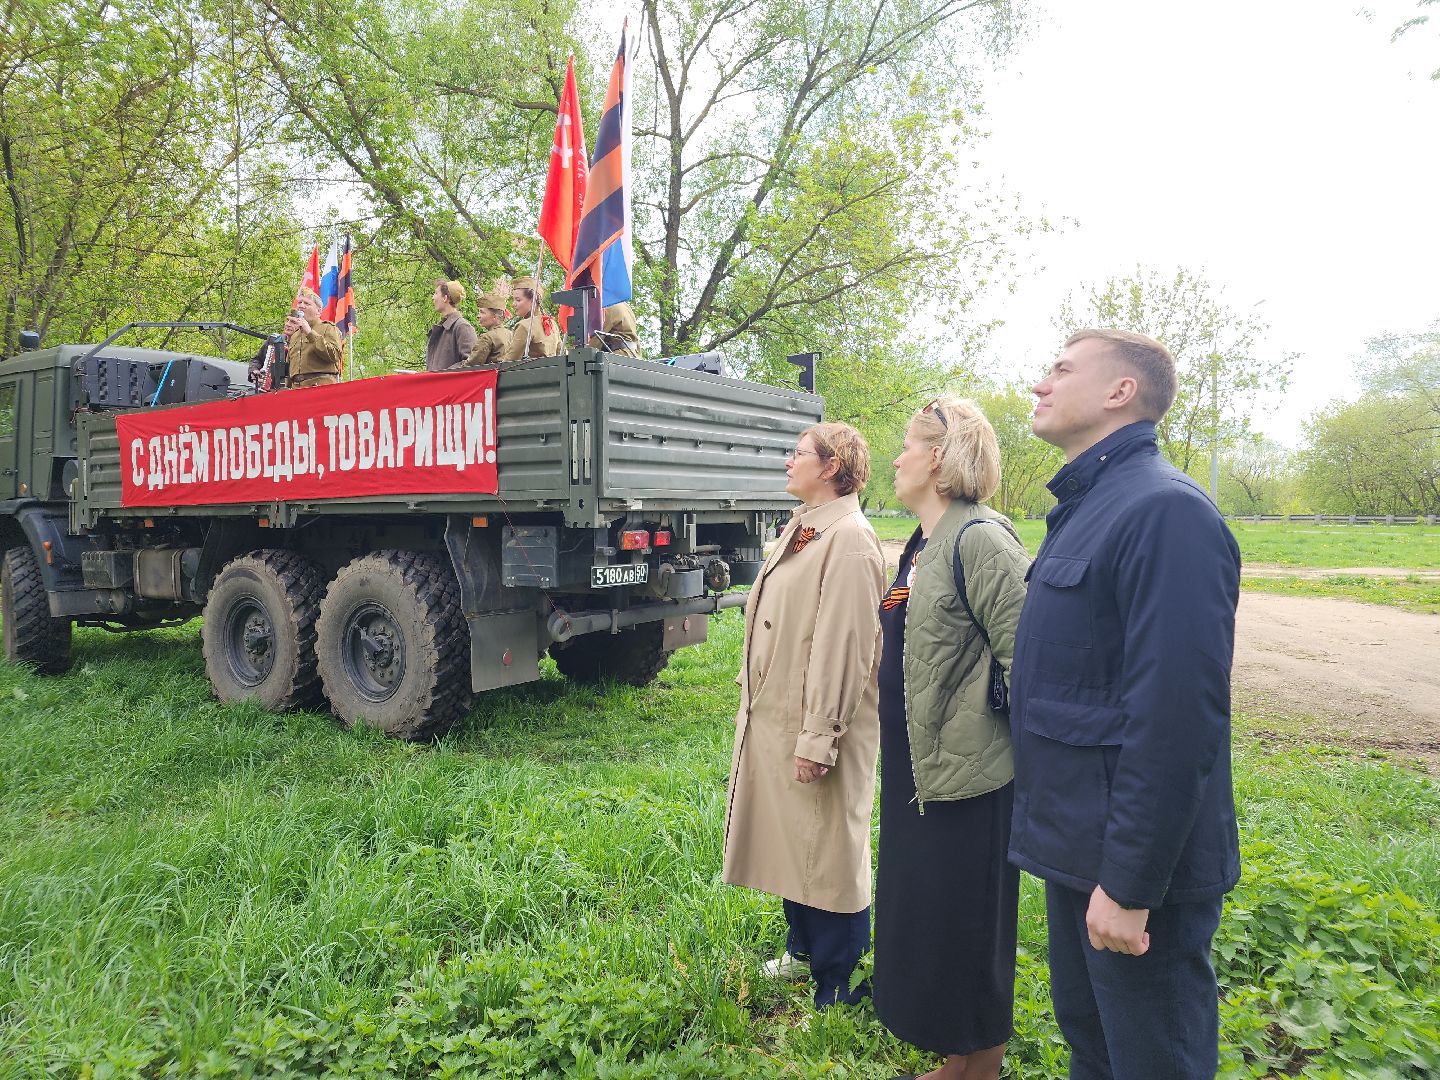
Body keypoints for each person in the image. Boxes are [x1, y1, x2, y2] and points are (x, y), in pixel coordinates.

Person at [1009, 329, 1241, 1080]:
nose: (1040, 384)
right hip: (1079, 850)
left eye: (1061, 369)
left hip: (1133, 873)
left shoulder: (1165, 513)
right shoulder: (1090, 506)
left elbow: (1178, 720)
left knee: (1151, 1060)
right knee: (1096, 1048)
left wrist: (1131, 885)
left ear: (1120, 392)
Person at [872, 397, 1030, 1080]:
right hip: (919, 768)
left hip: (973, 774)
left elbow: (1028, 659)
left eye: (907, 445)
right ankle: (955, 1058)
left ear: (937, 457)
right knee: (935, 918)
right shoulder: (923, 541)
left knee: (972, 926)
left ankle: (982, 1067)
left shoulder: (982, 539)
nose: (896, 458)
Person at [722, 421, 884, 1010]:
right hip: (780, 716)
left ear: (832, 466)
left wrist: (819, 737)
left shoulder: (852, 540)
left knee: (827, 849)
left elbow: (844, 648)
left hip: (819, 723)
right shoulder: (806, 526)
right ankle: (803, 948)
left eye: (799, 454)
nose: (788, 461)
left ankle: (835, 977)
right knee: (795, 841)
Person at [284, 287, 344, 388]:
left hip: (321, 388)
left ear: (319, 311)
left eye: (307, 303)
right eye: (300, 303)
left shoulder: (328, 328)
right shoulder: (295, 335)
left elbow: (334, 356)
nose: (301, 306)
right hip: (296, 390)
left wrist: (309, 332)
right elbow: (290, 368)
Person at [497, 275, 562, 361]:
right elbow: (560, 353)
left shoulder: (524, 326)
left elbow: (509, 361)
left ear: (533, 300)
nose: (513, 304)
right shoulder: (552, 323)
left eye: (518, 300)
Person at [425, 279, 477, 372]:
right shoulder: (442, 329)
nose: (433, 297)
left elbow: (471, 363)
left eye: (436, 293)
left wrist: (444, 375)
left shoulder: (462, 327)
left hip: (452, 385)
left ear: (445, 298)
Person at [462, 283, 514, 367]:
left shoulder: (487, 337)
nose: (478, 316)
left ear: (495, 317)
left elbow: (471, 365)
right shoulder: (510, 334)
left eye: (482, 312)